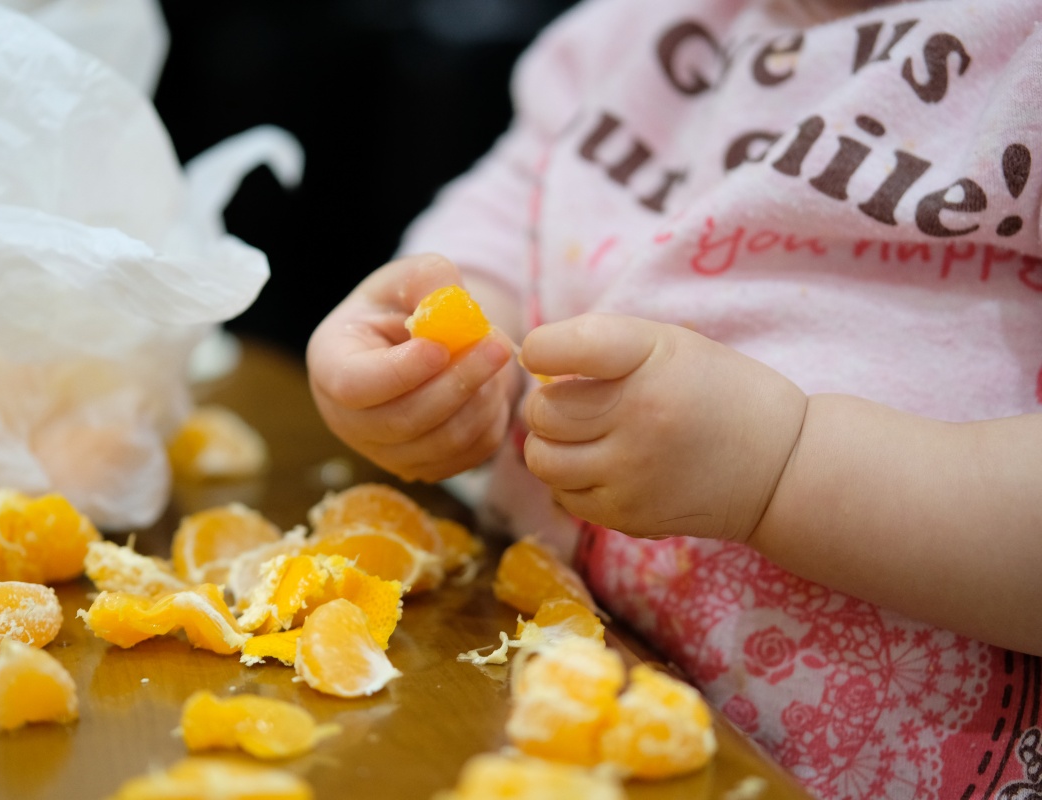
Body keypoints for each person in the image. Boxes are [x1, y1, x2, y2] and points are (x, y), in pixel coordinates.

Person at [305, 0, 1042, 796]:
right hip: (546, 711)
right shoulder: (630, 29)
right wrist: (435, 353)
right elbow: (507, 223)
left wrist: (782, 462)